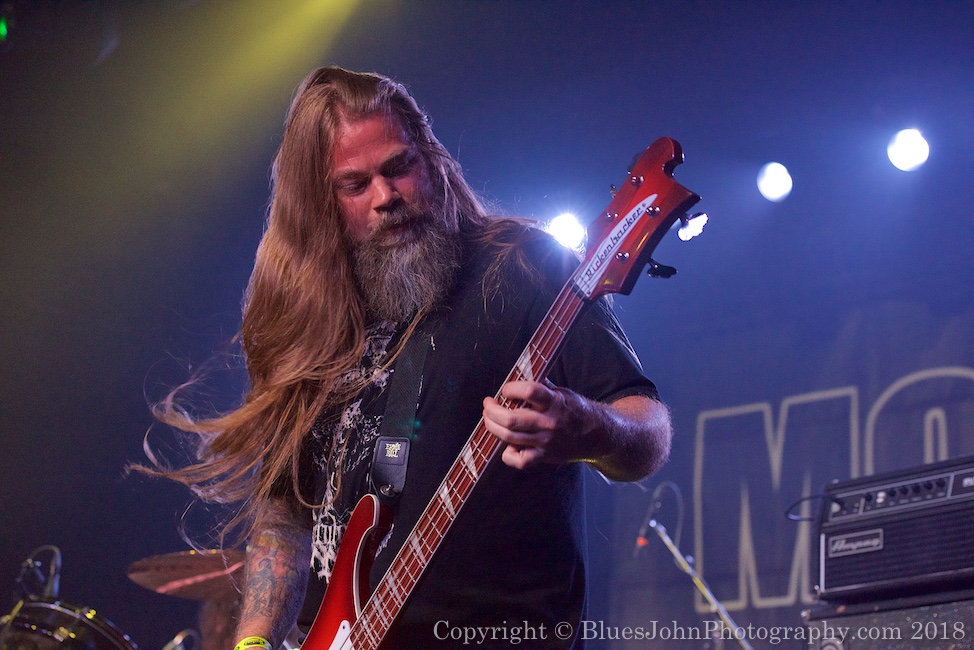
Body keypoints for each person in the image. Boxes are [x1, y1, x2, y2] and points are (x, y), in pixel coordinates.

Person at [145, 66, 672, 649]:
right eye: (355, 184)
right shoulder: (306, 320)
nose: (386, 197)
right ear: (322, 203)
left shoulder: (522, 267)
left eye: (399, 167)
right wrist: (252, 640)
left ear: (434, 160)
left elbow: (648, 430)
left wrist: (590, 427)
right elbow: (283, 513)